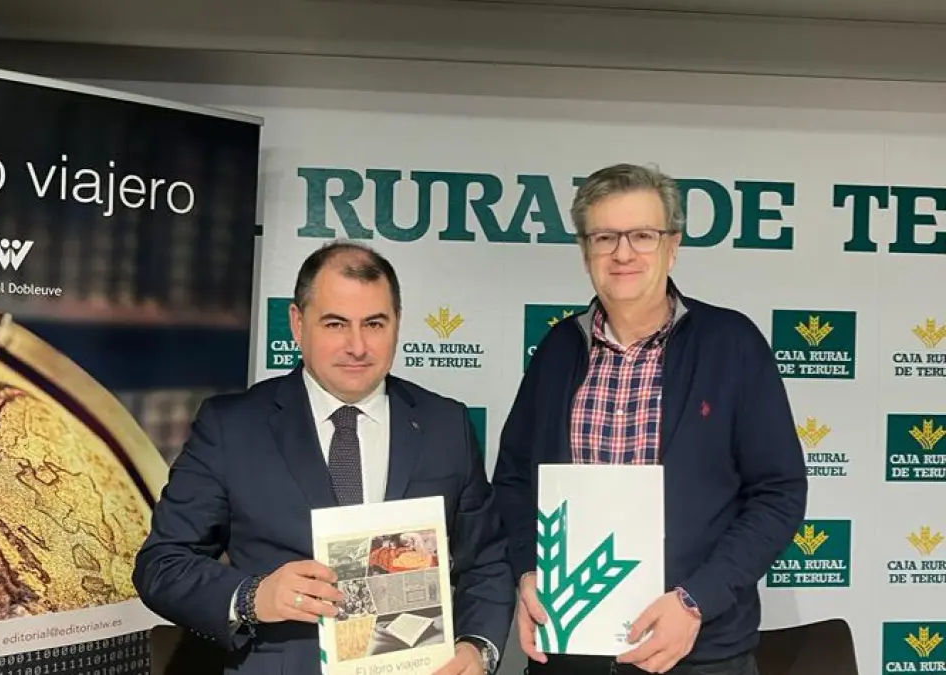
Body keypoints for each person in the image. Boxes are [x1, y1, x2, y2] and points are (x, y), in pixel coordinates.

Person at [134, 241, 514, 675]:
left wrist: (478, 648)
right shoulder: (232, 428)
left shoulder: (445, 425)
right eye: (335, 324)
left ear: (397, 323)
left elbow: (486, 561)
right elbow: (162, 565)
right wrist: (253, 596)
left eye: (374, 324)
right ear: (298, 324)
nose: (357, 346)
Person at [491, 163, 807, 675]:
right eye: (604, 237)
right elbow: (512, 479)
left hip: (698, 653)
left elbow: (779, 493)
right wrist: (528, 569)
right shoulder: (557, 350)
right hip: (571, 649)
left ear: (672, 245)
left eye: (642, 235)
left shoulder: (732, 345)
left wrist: (696, 601)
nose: (623, 253)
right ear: (585, 251)